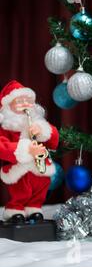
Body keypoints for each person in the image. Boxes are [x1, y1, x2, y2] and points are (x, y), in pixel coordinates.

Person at [0, 80, 59, 223]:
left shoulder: (36, 122)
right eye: (19, 101)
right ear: (8, 106)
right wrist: (27, 149)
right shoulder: (6, 127)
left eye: (28, 101)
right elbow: (2, 147)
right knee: (21, 189)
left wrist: (44, 130)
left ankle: (34, 208)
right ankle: (15, 210)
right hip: (18, 168)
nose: (25, 104)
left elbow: (53, 140)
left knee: (40, 186)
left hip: (39, 165)